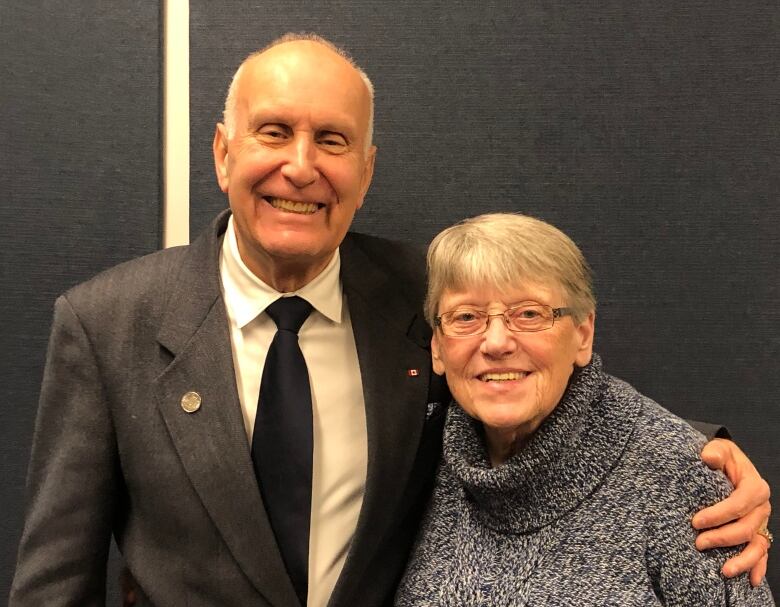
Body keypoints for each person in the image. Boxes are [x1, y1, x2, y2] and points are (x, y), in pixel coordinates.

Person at [9, 34, 771, 607]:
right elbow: (54, 581)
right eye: (274, 132)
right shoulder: (107, 323)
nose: (302, 166)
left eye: (332, 140)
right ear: (221, 152)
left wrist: (700, 458)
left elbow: (537, 371)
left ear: (367, 170)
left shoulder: (428, 296)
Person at [395, 213, 775, 605]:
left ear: (583, 334)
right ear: (437, 347)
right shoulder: (418, 457)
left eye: (529, 314)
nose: (495, 342)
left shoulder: (676, 477)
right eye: (466, 317)